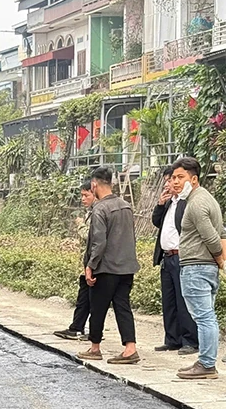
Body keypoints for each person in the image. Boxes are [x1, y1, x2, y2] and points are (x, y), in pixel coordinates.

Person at [77, 167, 141, 365]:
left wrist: (90, 265)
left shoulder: (100, 209)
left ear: (94, 185)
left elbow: (99, 242)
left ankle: (95, 347)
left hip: (106, 268)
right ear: (111, 183)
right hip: (126, 267)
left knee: (98, 307)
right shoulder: (126, 206)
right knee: (123, 306)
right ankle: (130, 348)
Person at [173, 157, 224, 380]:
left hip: (197, 267)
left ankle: (206, 364)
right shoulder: (207, 199)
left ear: (193, 179)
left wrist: (220, 258)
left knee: (204, 318)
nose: (175, 182)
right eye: (173, 177)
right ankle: (206, 361)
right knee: (206, 316)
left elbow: (212, 237)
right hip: (204, 267)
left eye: (180, 177)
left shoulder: (195, 203)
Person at [152, 164, 199, 355]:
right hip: (167, 257)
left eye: (172, 180)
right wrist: (160, 205)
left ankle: (190, 340)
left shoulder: (186, 202)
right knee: (169, 301)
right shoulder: (169, 203)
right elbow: (157, 222)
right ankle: (172, 339)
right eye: (169, 181)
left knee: (183, 300)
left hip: (181, 256)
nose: (169, 184)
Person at [54, 178, 96, 341]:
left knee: (93, 299)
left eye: (86, 195)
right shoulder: (90, 212)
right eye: (82, 196)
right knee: (84, 298)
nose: (83, 199)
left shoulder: (98, 212)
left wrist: (80, 225)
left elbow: (90, 236)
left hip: (94, 263)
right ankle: (77, 327)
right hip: (87, 262)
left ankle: (94, 332)